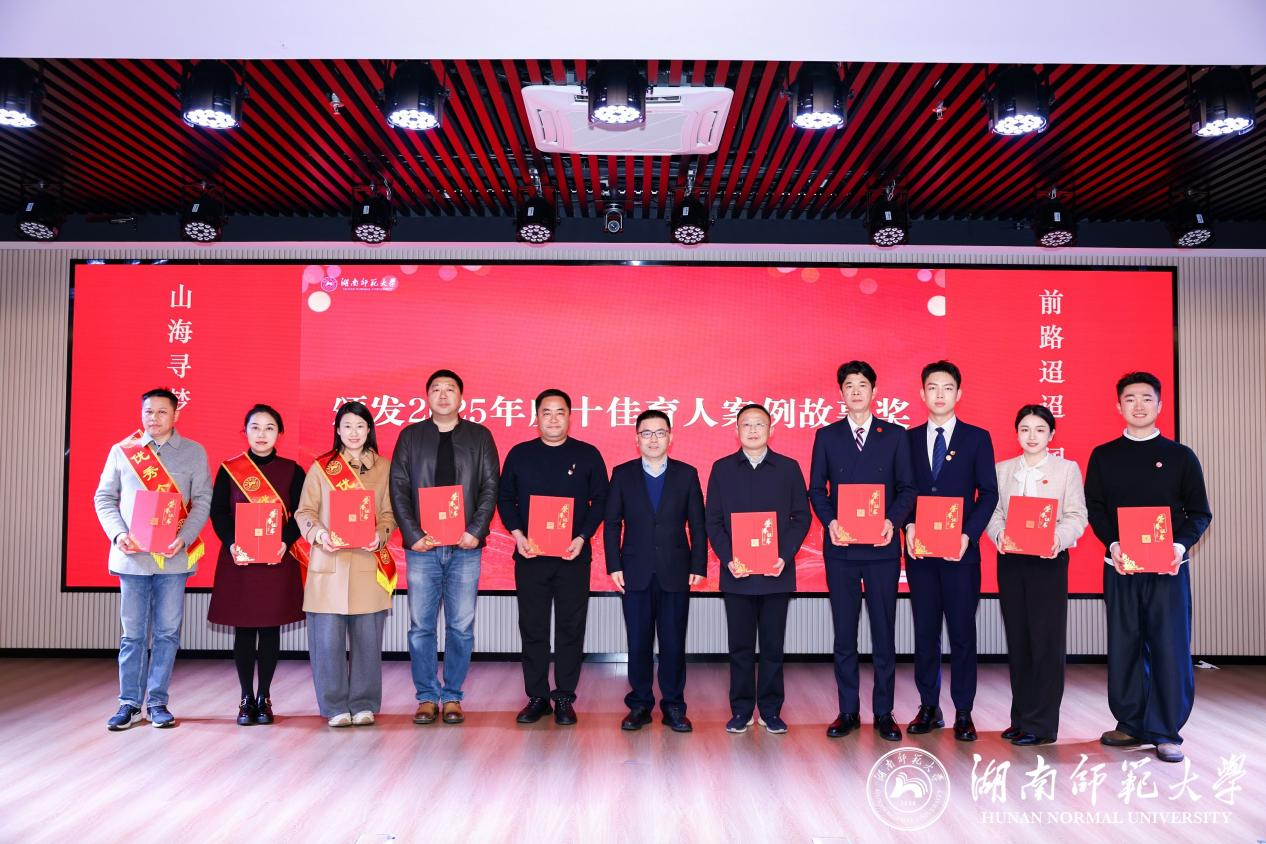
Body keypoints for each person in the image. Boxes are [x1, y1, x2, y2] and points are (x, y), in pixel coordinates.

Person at [1085, 372, 1212, 763]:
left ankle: (1166, 731)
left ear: (1159, 405)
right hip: (1120, 567)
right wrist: (1114, 544)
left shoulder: (1181, 456)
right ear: (1118, 406)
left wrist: (1178, 546)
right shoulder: (1103, 455)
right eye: (1130, 399)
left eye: (1145, 398)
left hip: (1167, 569)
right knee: (1124, 644)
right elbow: (1096, 510)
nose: (1138, 405)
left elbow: (1199, 513)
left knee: (1169, 646)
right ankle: (1130, 723)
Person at [809, 361, 916, 742]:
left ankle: (884, 712)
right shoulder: (827, 436)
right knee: (844, 634)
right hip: (841, 549)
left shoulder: (895, 435)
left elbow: (907, 488)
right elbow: (816, 490)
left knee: (883, 633)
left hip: (882, 548)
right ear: (841, 392)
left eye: (862, 385)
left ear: (874, 391)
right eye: (849, 385)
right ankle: (848, 710)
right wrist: (830, 522)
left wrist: (892, 521)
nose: (856, 391)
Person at [94, 387, 212, 730]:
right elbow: (104, 498)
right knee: (132, 635)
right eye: (148, 411)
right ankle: (129, 703)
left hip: (173, 559)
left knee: (167, 633)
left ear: (176, 415)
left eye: (162, 412)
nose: (154, 418)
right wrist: (119, 534)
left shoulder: (193, 452)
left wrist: (184, 538)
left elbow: (202, 501)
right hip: (132, 559)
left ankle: (158, 701)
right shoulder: (123, 451)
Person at [390, 369, 500, 727]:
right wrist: (412, 535)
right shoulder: (411, 436)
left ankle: (452, 696)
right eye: (435, 389)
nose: (442, 395)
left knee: (461, 627)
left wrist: (475, 531)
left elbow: (490, 487)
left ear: (461, 397)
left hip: (465, 548)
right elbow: (398, 488)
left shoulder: (480, 436)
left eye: (449, 389)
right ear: (427, 397)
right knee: (421, 627)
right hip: (422, 548)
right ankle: (426, 697)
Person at [498, 389, 608, 726]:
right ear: (537, 417)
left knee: (570, 628)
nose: (554, 418)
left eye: (560, 412)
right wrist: (518, 535)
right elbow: (505, 499)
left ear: (570, 416)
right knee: (533, 627)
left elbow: (601, 501)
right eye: (546, 412)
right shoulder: (520, 454)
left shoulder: (587, 454)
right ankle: (537, 696)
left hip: (573, 556)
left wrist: (582, 536)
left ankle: (563, 698)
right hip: (530, 556)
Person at [903, 360, 998, 742]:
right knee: (925, 632)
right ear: (922, 393)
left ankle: (963, 711)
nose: (939, 394)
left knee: (962, 634)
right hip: (921, 554)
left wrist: (968, 535)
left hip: (961, 555)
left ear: (959, 393)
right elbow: (901, 491)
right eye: (932, 387)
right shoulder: (907, 439)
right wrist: (908, 524)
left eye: (947, 388)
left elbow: (988, 493)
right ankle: (929, 706)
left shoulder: (977, 438)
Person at [985, 404, 1087, 746]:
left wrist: (1057, 539)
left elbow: (1077, 515)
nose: (1032, 436)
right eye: (1025, 429)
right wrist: (999, 535)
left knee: (1046, 642)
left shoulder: (1066, 469)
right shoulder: (1002, 470)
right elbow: (993, 513)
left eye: (1040, 429)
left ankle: (1042, 725)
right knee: (1019, 641)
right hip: (1012, 561)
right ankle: (1021, 717)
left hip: (1048, 562)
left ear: (1051, 434)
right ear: (1016, 433)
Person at [706, 403, 811, 735]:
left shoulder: (788, 468)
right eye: (746, 425)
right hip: (736, 574)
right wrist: (728, 558)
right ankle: (740, 711)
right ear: (736, 430)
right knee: (739, 648)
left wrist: (783, 555)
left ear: (771, 430)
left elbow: (801, 517)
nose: (752, 430)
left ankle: (770, 710)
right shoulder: (722, 469)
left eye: (759, 424)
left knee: (772, 648)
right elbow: (713, 521)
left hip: (776, 573)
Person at [295, 401, 397, 728]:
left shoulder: (384, 468)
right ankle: (334, 706)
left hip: (368, 562)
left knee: (368, 643)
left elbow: (389, 513)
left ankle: (364, 704)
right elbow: (304, 512)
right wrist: (319, 534)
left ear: (369, 430)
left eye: (360, 426)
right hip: (329, 563)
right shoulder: (321, 467)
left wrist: (381, 535)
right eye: (347, 426)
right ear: (338, 430)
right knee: (327, 644)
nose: (354, 433)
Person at [604, 409, 706, 733]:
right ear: (636, 439)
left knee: (673, 643)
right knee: (638, 642)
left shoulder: (687, 474)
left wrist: (698, 565)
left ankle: (674, 706)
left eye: (659, 433)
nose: (653, 439)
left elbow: (698, 525)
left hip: (676, 571)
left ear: (670, 437)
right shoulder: (622, 474)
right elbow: (612, 523)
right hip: (634, 571)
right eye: (646, 433)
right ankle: (640, 705)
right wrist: (614, 564)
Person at [207, 404, 306, 726]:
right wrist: (231, 543)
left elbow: (302, 514)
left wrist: (285, 541)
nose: (262, 434)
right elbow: (219, 513)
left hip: (276, 558)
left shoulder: (293, 470)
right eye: (255, 427)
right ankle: (245, 698)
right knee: (245, 629)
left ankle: (264, 697)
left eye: (269, 428)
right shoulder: (230, 469)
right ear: (245, 431)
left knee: (270, 628)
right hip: (240, 559)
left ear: (280, 433)